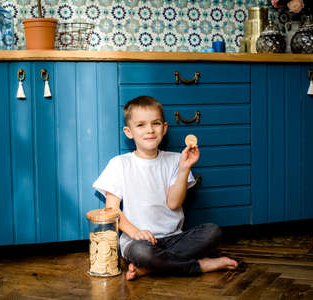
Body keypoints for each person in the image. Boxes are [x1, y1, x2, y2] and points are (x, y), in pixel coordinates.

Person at [93, 96, 238, 280]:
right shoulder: (119, 164)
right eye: (141, 125)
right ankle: (200, 266)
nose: (150, 130)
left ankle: (150, 268)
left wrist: (185, 169)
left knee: (213, 232)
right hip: (138, 242)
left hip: (175, 238)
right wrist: (135, 232)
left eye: (156, 123)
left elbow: (174, 203)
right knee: (142, 253)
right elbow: (111, 210)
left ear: (165, 128)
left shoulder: (175, 160)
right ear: (128, 132)